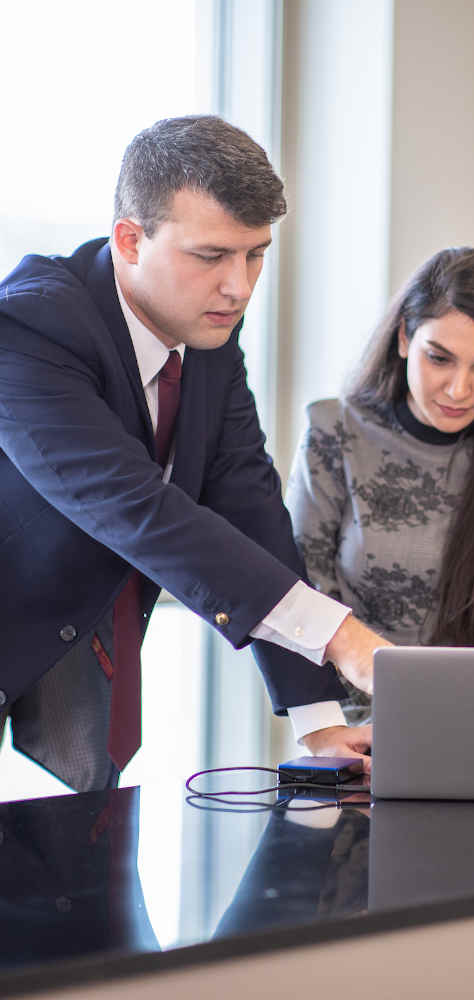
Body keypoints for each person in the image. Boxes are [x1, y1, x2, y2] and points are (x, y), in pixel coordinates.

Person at [0, 115, 386, 794]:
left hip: (61, 653)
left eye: (255, 254)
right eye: (211, 256)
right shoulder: (28, 327)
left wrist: (316, 714)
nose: (239, 287)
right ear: (129, 239)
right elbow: (137, 508)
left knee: (83, 885)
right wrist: (338, 637)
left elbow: (248, 504)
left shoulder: (205, 335)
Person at [285, 247, 474, 725]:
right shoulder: (335, 431)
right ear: (405, 338)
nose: (458, 389)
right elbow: (301, 600)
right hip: (355, 734)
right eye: (440, 359)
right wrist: (324, 727)